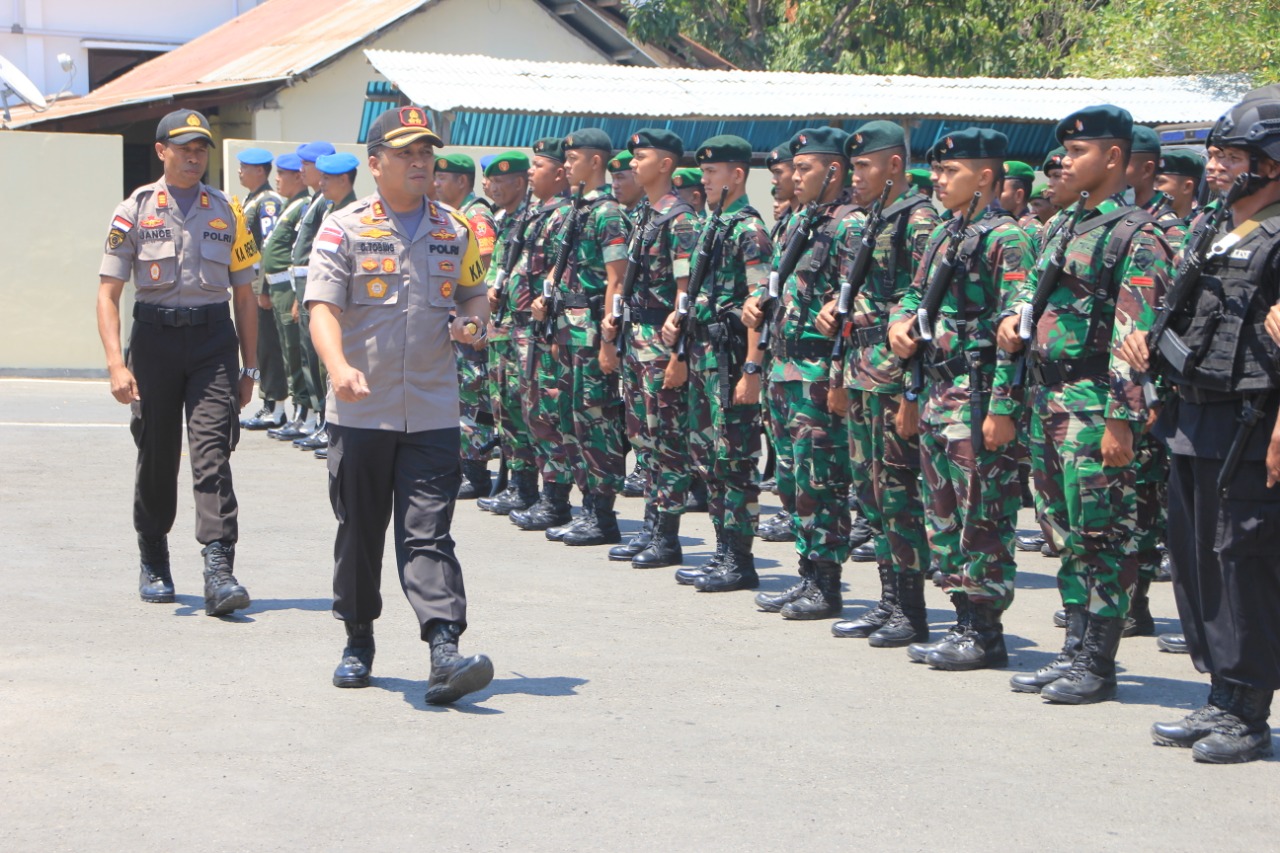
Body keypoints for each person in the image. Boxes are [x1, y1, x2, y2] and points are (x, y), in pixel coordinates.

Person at [305, 106, 494, 705]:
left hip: (433, 408)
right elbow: (322, 309)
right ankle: (358, 638)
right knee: (360, 532)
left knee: (429, 532)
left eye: (426, 153)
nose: (420, 162)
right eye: (407, 153)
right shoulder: (343, 227)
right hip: (362, 410)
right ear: (376, 161)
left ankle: (444, 648)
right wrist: (338, 369)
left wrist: (472, 325)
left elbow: (475, 296)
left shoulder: (455, 228)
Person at [1120, 90, 1280, 763]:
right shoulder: (1214, 228)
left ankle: (1248, 706)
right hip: (1191, 414)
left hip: (1251, 422)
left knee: (1241, 563)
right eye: (1213, 154)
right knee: (1192, 560)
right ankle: (1219, 691)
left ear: (1271, 162)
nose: (1215, 166)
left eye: (1231, 155)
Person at [999, 105, 1173, 702]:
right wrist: (1010, 320)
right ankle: (1072, 649)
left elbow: (1136, 332)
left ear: (1115, 159)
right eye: (1065, 153)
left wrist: (1122, 422)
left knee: (1103, 534)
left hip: (1097, 404)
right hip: (1049, 397)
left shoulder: (1137, 234)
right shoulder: (1062, 225)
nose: (1065, 162)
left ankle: (1098, 663)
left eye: (1077, 153)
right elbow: (1030, 292)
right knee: (1066, 532)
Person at [96, 109, 260, 616]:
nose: (195, 156)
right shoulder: (135, 210)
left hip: (213, 343)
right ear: (161, 150)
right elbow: (108, 293)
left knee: (212, 450)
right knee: (158, 454)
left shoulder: (228, 210)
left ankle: (218, 567)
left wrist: (249, 367)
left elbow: (245, 294)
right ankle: (154, 555)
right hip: (154, 344)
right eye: (184, 147)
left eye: (202, 148)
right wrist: (114, 365)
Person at [887, 128, 1035, 670]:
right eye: (938, 171)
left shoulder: (1007, 239)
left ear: (987, 178)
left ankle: (985, 629)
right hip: (937, 392)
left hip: (975, 395)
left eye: (951, 172)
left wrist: (1001, 407)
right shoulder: (945, 234)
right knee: (943, 515)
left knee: (983, 517)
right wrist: (897, 324)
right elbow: (912, 294)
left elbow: (1017, 326)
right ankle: (960, 619)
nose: (938, 179)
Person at [819, 120, 940, 644]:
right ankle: (889, 601)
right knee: (871, 495)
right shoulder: (869, 221)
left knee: (899, 495)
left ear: (895, 165)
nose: (855, 175)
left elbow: (923, 313)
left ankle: (910, 610)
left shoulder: (919, 221)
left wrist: (913, 393)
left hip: (894, 382)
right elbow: (856, 302)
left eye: (864, 165)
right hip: (863, 375)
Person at [743, 127, 856, 620]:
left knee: (820, 482)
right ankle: (807, 574)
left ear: (833, 170)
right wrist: (756, 307)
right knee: (790, 482)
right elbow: (780, 289)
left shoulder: (852, 226)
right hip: (785, 369)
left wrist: (836, 378)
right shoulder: (796, 223)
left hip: (816, 371)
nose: (794, 175)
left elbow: (855, 299)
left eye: (804, 167)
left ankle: (826, 584)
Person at [663, 134, 772, 592]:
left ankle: (739, 558)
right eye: (703, 172)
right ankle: (722, 550)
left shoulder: (749, 229)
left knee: (734, 460)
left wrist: (752, 369)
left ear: (737, 175)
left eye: (712, 172)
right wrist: (678, 322)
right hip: (706, 357)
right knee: (708, 457)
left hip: (730, 361)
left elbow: (759, 303)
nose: (704, 180)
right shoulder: (714, 224)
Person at [602, 128, 699, 569]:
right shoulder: (643, 213)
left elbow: (685, 292)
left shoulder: (679, 219)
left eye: (640, 157)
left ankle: (668, 535)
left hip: (660, 342)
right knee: (643, 437)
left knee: (666, 439)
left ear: (665, 165)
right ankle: (651, 527)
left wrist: (677, 353)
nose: (632, 164)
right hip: (637, 337)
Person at [534, 128, 629, 547]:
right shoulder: (577, 209)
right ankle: (586, 505)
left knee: (597, 421)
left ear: (596, 162)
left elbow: (617, 280)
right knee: (572, 418)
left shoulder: (608, 213)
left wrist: (609, 340)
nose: (567, 164)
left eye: (574, 159)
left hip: (592, 334)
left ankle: (602, 513)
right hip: (568, 330)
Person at [435, 152, 500, 498]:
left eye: (442, 177)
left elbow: (482, 269)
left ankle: (475, 472)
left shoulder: (476, 215)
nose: (435, 183)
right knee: (462, 396)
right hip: (460, 319)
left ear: (462, 181)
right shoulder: (455, 215)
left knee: (472, 397)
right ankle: (466, 465)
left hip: (473, 321)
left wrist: (478, 323)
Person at [479, 151, 539, 513]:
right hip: (500, 326)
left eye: (500, 181)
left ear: (519, 183)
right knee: (504, 407)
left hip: (522, 328)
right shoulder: (501, 219)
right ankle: (518, 484)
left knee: (525, 408)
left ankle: (531, 488)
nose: (493, 187)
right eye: (491, 181)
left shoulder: (531, 220)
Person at [273, 140, 335, 443]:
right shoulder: (315, 201)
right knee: (304, 357)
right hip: (301, 286)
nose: (301, 171)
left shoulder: (325, 203)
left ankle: (322, 420)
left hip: (314, 289)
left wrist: (305, 295)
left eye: (305, 165)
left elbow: (318, 256)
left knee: (319, 359)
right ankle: (313, 417)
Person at [300, 151, 361, 458]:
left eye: (327, 178)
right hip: (324, 299)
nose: (320, 183)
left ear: (343, 180)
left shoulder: (351, 213)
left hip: (343, 306)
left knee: (336, 363)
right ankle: (327, 423)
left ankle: (335, 427)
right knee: (320, 363)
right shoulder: (330, 209)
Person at [247, 152, 312, 432]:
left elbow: (271, 250)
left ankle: (295, 411)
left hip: (285, 286)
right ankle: (292, 411)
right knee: (278, 350)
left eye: (281, 174)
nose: (277, 178)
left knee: (292, 352)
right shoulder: (287, 205)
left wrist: (262, 288)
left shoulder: (277, 204)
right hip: (272, 284)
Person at [236, 147, 286, 428]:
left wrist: (264, 286)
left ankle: (276, 405)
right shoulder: (250, 200)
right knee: (258, 344)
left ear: (259, 171)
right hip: (250, 282)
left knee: (268, 344)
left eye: (244, 167)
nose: (240, 171)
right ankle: (268, 402)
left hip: (261, 282)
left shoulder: (268, 202)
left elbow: (269, 246)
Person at [1155, 149, 1205, 221]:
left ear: (1187, 187)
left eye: (1160, 182)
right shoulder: (1144, 224)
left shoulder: (1198, 228)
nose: (1153, 188)